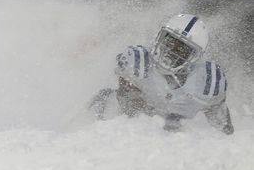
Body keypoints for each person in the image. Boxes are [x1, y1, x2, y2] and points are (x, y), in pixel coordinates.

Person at [90, 14, 234, 134]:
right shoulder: (139, 63)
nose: (171, 52)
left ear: (195, 56)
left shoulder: (207, 82)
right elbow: (129, 108)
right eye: (170, 42)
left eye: (182, 50)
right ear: (161, 36)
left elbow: (223, 132)